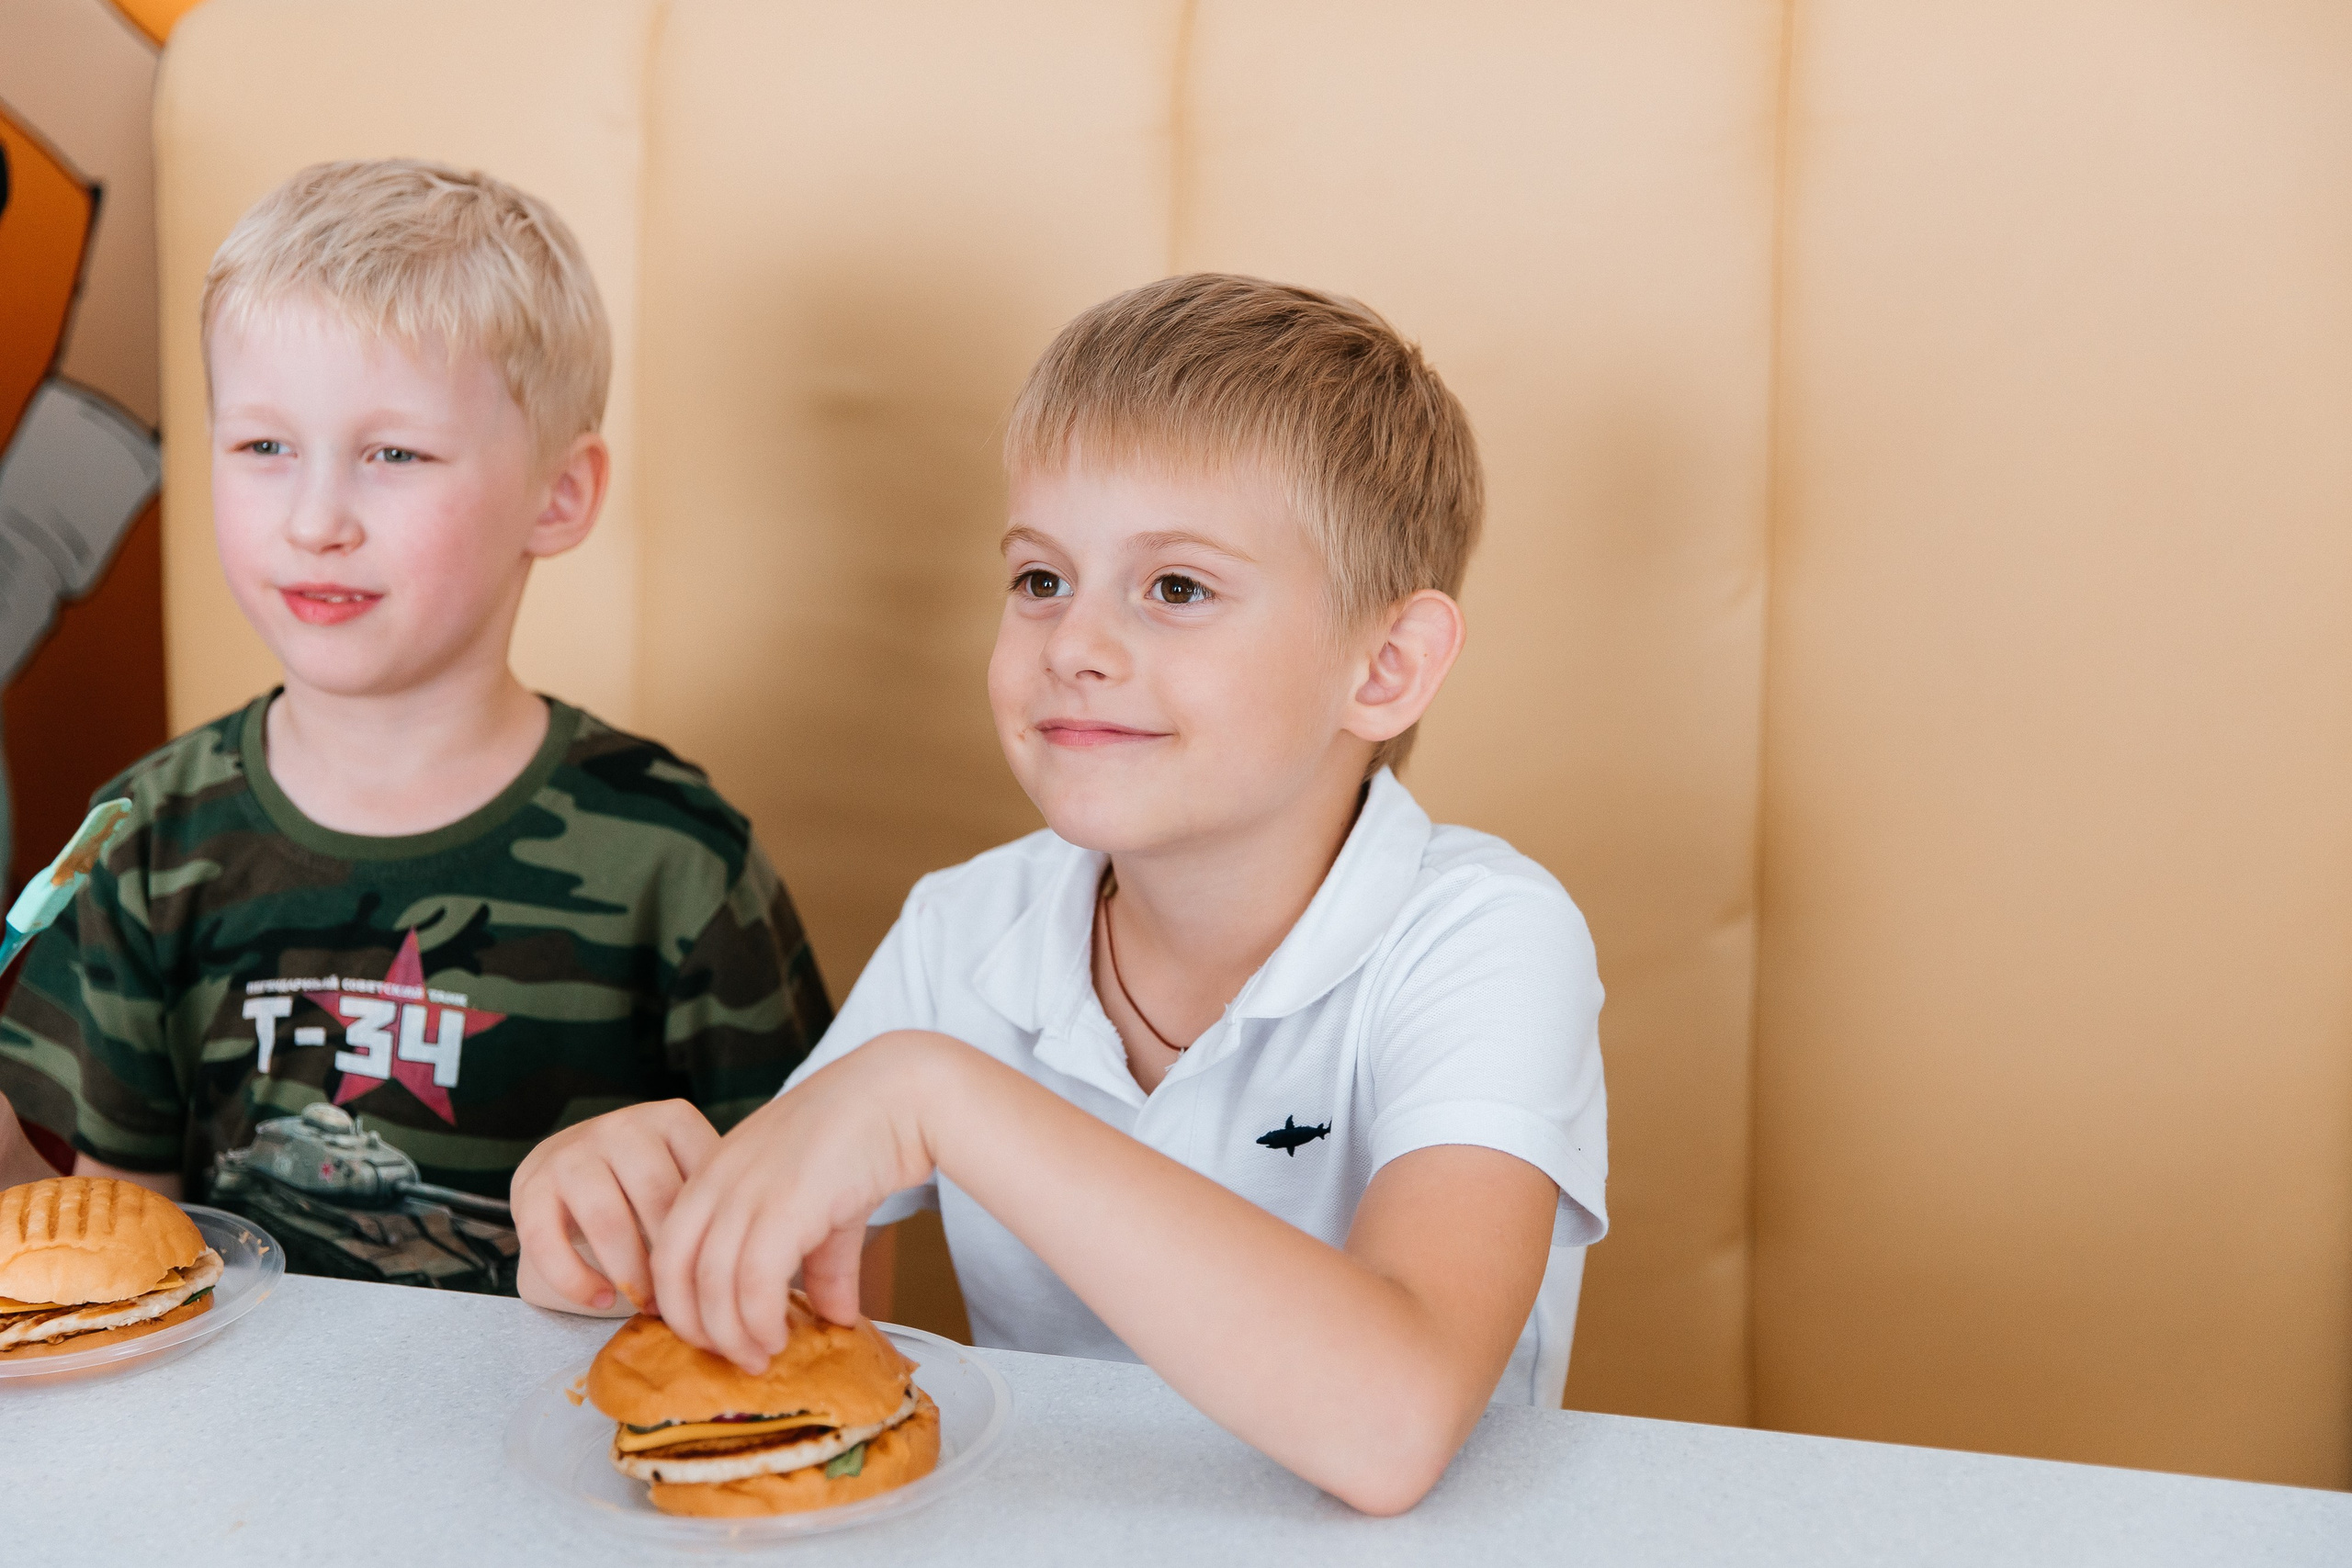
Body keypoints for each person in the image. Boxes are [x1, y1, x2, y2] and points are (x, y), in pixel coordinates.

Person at [512, 275, 1606, 1512]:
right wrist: (617, 1231)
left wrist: (941, 1096)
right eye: (1040, 578)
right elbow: (800, 1332)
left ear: (1387, 664)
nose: (1073, 641)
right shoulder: (964, 927)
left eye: (1177, 587)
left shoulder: (1488, 935)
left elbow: (1392, 1424)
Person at [0, 161, 831, 1298]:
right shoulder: (139, 840)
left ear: (559, 496)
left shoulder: (680, 863)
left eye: (394, 454)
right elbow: (108, 1261)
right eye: (262, 447)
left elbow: (826, 1267)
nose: (316, 520)